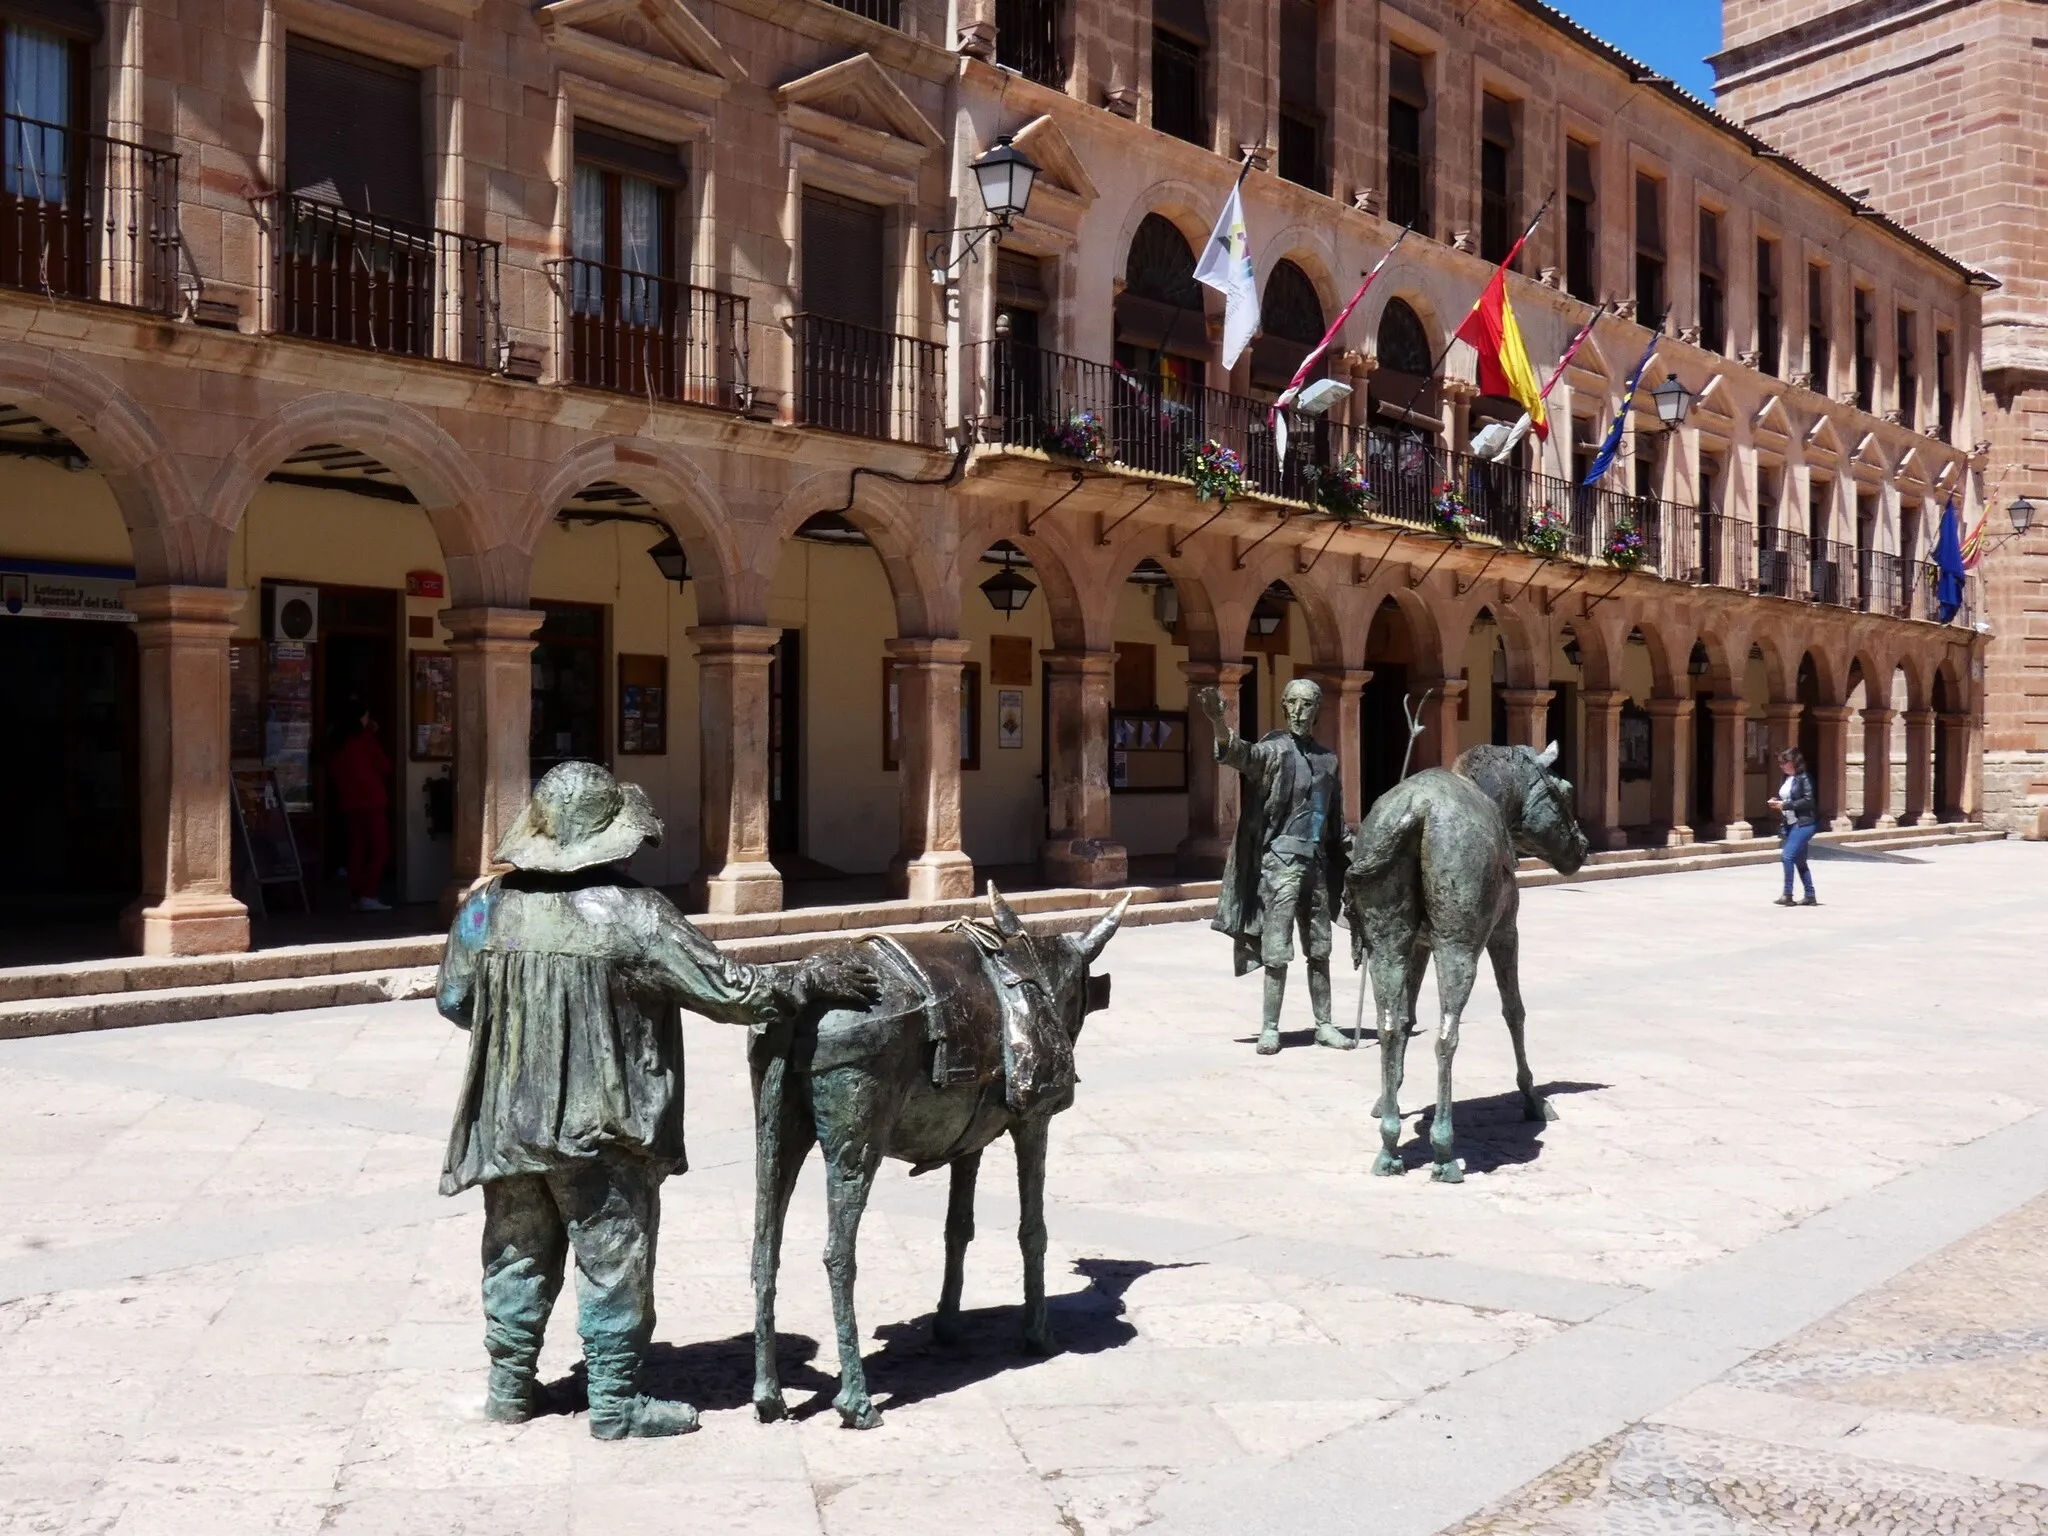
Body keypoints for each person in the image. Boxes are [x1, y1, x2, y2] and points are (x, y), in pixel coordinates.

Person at [436, 761, 878, 1439]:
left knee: (515, 1251)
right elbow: (734, 992)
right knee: (613, 1256)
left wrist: (530, 1036)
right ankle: (615, 1404)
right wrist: (810, 978)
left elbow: (455, 1000)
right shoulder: (637, 916)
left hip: (509, 1122)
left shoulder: (484, 909)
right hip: (604, 1125)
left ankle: (509, 1389)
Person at [1196, 676, 1351, 1055]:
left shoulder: (1328, 761)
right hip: (1279, 863)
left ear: (1317, 710)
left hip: (1314, 861)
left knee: (1320, 948)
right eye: (1293, 703)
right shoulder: (1274, 751)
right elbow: (1238, 753)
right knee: (1277, 949)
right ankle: (1270, 1027)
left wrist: (1355, 858)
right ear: (1284, 706)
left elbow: (1336, 822)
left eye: (1308, 704)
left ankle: (1325, 1024)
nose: (1299, 711)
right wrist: (1219, 722)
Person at [330, 701, 392, 912]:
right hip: (371, 801)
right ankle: (368, 893)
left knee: (356, 849)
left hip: (349, 802)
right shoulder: (366, 740)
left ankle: (356, 895)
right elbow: (385, 766)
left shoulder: (338, 741)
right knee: (379, 849)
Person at [1768, 747, 1820, 907]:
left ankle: (1788, 894)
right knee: (1800, 861)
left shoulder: (1805, 778)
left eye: (1785, 763)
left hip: (1804, 823)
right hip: (1790, 824)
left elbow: (1809, 801)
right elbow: (1789, 797)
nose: (1782, 766)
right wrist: (1777, 801)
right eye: (1780, 763)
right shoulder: (1786, 779)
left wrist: (1785, 805)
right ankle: (1810, 895)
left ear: (1794, 763)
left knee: (1787, 856)